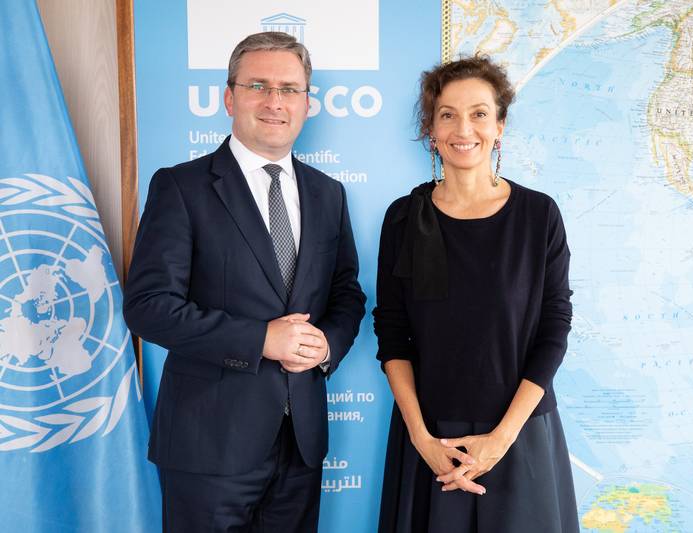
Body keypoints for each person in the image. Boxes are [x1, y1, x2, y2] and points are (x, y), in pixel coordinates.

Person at [123, 32, 366, 532]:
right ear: (230, 98)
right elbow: (148, 306)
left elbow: (346, 292)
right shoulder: (181, 187)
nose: (275, 101)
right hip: (208, 444)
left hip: (301, 445)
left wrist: (325, 346)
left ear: (306, 103)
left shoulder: (328, 194)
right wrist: (260, 340)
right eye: (258, 86)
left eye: (289, 89)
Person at [373, 56, 579, 532]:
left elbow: (554, 329)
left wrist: (501, 439)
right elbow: (393, 333)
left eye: (479, 113)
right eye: (447, 114)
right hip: (431, 445)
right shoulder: (403, 218)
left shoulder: (539, 216)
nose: (463, 129)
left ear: (499, 126)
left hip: (519, 436)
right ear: (431, 129)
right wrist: (421, 438)